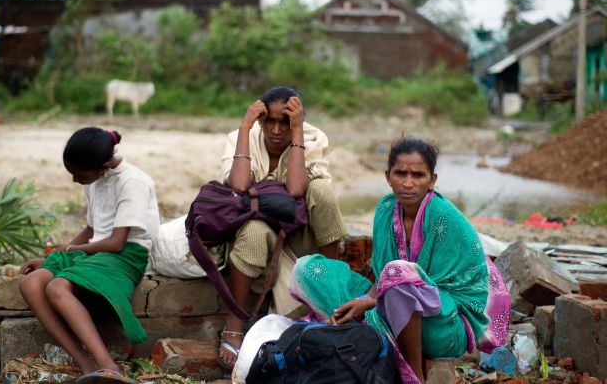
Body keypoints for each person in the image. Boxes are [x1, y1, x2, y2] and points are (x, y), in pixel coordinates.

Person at [290, 137, 510, 384]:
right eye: (400, 173)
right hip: (389, 301)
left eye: (418, 175)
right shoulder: (385, 210)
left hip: (445, 323)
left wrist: (369, 305)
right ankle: (365, 327)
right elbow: (382, 279)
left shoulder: (446, 218)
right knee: (309, 269)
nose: (408, 183)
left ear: (432, 180)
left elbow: (429, 292)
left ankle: (412, 376)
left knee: (399, 274)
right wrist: (363, 301)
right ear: (387, 176)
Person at [216, 86, 348, 369]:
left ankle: (331, 289)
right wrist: (244, 126)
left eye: (285, 122)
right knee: (253, 231)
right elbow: (239, 185)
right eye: (270, 122)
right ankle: (234, 323)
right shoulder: (245, 136)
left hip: (300, 235)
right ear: (261, 121)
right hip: (260, 230)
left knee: (322, 190)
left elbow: (297, 188)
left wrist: (297, 132)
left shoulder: (311, 137)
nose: (276, 131)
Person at [19, 127, 160, 384]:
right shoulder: (94, 179)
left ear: (104, 166)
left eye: (79, 175)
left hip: (127, 254)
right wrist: (54, 257)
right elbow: (92, 230)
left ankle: (109, 367)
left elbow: (117, 243)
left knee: (57, 288)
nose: (75, 180)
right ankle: (85, 364)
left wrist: (70, 250)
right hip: (96, 252)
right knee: (31, 283)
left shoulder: (133, 182)